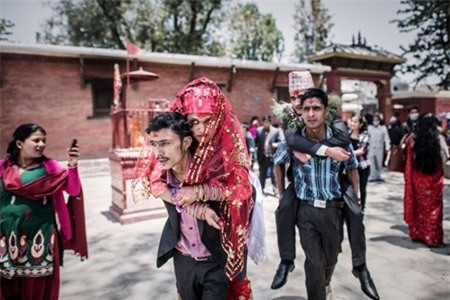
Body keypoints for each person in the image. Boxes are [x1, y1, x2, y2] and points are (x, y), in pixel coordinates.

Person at [133, 77, 255, 299]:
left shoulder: (224, 155)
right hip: (183, 256)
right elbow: (155, 183)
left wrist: (199, 191)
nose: (201, 129)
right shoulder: (170, 153)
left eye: (207, 120)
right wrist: (197, 207)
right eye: (193, 122)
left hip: (217, 252)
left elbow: (242, 188)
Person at [271, 71, 379, 300]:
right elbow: (278, 162)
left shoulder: (338, 131)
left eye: (316, 108)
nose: (310, 113)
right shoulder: (291, 131)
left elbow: (352, 168)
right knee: (314, 261)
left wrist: (354, 199)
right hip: (306, 210)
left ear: (326, 110)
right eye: (303, 106)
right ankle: (289, 264)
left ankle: (350, 272)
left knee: (331, 256)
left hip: (333, 209)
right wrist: (281, 193)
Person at [0, 123, 88, 300]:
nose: (41, 144)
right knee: (8, 287)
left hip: (40, 240)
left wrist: (72, 165)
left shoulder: (50, 168)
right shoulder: (3, 168)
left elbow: (72, 190)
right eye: (36, 140)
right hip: (7, 239)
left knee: (38, 289)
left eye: (43, 141)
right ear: (19, 144)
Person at [403, 113, 449, 247]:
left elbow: (408, 157)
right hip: (434, 179)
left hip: (417, 178)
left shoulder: (412, 138)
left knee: (418, 206)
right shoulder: (438, 138)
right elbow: (445, 156)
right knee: (434, 209)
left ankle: (417, 234)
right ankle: (432, 238)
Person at [255, 115, 283, 195]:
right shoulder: (259, 131)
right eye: (264, 122)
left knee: (274, 174)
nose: (265, 124)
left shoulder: (276, 131)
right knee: (262, 174)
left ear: (270, 123)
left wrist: (276, 144)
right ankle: (261, 189)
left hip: (272, 156)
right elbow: (256, 142)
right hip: (262, 156)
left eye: (267, 122)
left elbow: (281, 142)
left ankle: (275, 190)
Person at [349, 113, 371, 212]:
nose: (353, 123)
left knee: (362, 188)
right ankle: (352, 207)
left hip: (363, 166)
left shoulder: (365, 135)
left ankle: (362, 207)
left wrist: (348, 154)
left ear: (360, 124)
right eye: (352, 121)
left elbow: (362, 150)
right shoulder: (347, 134)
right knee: (351, 188)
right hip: (350, 167)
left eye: (355, 121)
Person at [368, 113, 390, 182]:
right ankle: (373, 176)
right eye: (374, 120)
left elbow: (386, 138)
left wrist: (387, 146)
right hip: (370, 148)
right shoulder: (369, 128)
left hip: (379, 148)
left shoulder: (383, 128)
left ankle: (378, 175)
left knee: (379, 162)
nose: (375, 121)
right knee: (371, 162)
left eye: (377, 120)